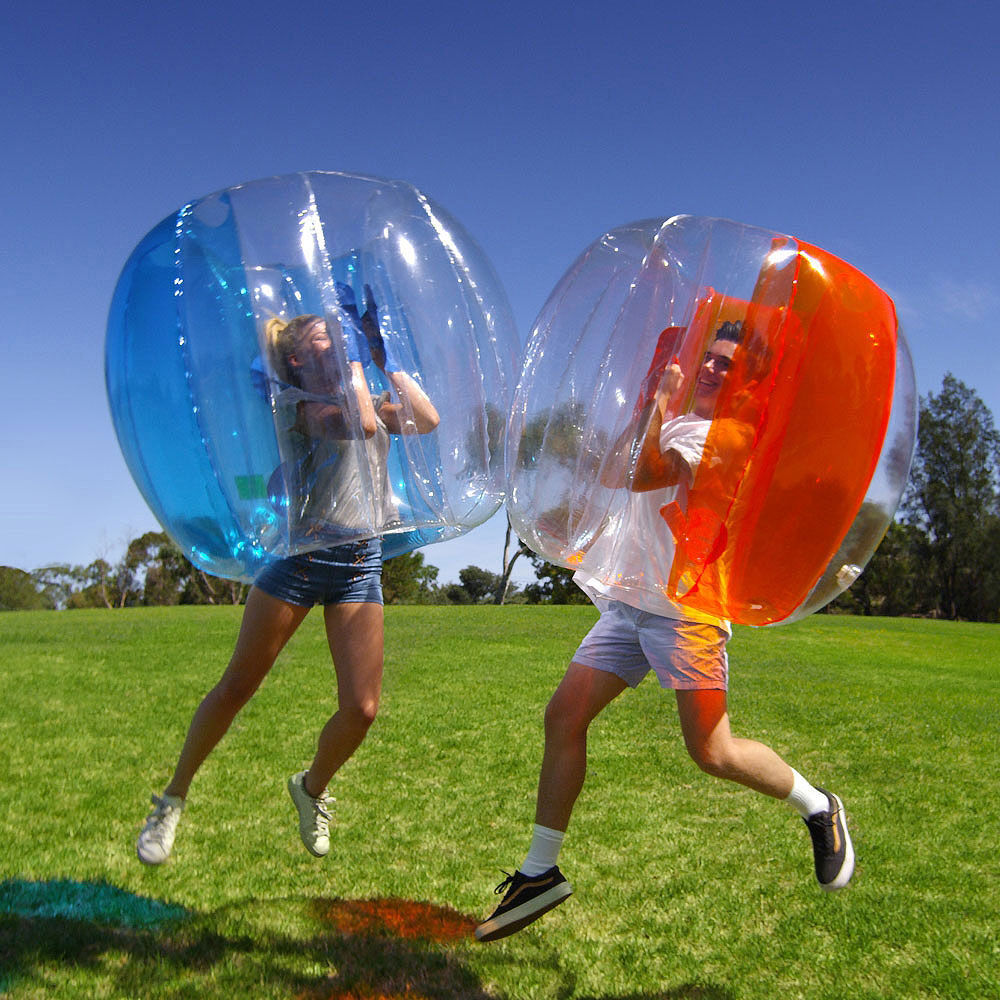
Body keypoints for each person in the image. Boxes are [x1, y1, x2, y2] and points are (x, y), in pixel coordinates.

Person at [475, 321, 854, 943]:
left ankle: (819, 806)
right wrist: (655, 404)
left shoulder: (732, 437)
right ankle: (540, 872)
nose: (711, 369)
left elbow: (642, 474)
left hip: (690, 611)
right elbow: (612, 468)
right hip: (631, 602)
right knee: (563, 717)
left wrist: (656, 402)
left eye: (727, 365)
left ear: (746, 382)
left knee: (713, 752)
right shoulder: (676, 418)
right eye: (710, 357)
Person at [136, 288, 439, 865]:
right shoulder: (295, 406)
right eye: (327, 334)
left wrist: (378, 349)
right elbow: (359, 428)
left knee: (363, 708)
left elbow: (426, 419)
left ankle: (311, 788)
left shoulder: (363, 391)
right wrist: (355, 360)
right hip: (300, 562)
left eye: (340, 331)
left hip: (358, 563)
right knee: (236, 688)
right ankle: (172, 799)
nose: (339, 337)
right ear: (297, 357)